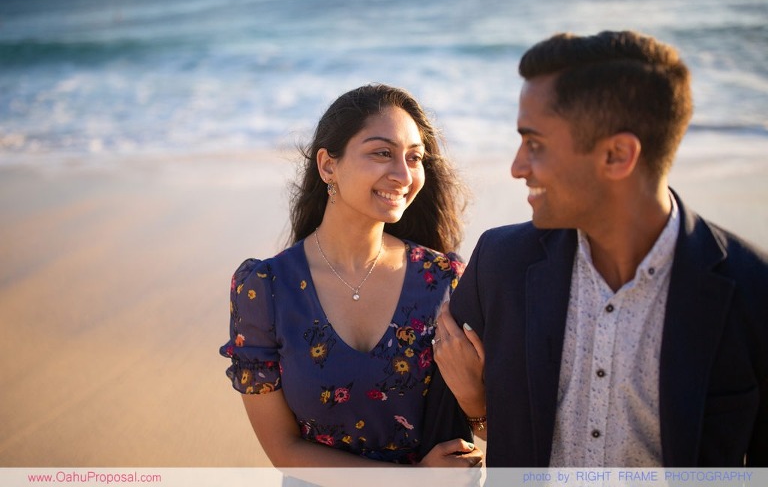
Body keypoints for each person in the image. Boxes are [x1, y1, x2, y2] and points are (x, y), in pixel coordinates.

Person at [433, 30, 768, 467]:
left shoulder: (752, 290)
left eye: (534, 144)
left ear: (617, 155)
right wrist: (477, 407)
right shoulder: (499, 264)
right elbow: (443, 437)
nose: (516, 167)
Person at [219, 84, 481, 467]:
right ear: (328, 165)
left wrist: (475, 399)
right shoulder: (265, 289)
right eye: (382, 153)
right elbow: (283, 450)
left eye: (414, 157)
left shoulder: (443, 279)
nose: (403, 174)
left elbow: (490, 423)